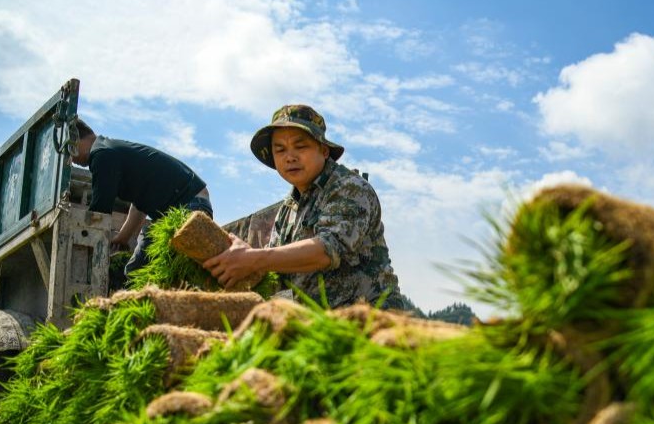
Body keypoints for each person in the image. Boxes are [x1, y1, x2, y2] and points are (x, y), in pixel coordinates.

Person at [203, 104, 405, 310]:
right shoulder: (288, 209)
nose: (290, 157)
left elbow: (327, 250)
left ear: (324, 150)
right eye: (280, 150)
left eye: (300, 147)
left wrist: (253, 259)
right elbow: (277, 274)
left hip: (370, 318)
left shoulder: (349, 188)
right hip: (317, 323)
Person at [70, 119, 213, 276]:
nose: (72, 160)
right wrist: (122, 238)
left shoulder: (102, 154)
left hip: (190, 205)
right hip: (180, 207)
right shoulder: (108, 150)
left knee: (165, 273)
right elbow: (139, 203)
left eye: (69, 150)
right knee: (136, 271)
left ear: (75, 138)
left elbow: (99, 211)